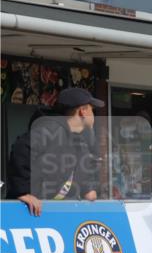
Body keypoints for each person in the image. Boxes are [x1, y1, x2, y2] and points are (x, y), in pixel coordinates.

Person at [5, 88, 101, 216]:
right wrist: (23, 192)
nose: (93, 114)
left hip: (50, 212)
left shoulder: (78, 140)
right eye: (92, 109)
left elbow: (81, 170)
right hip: (27, 212)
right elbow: (21, 149)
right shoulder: (50, 128)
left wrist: (88, 190)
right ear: (83, 111)